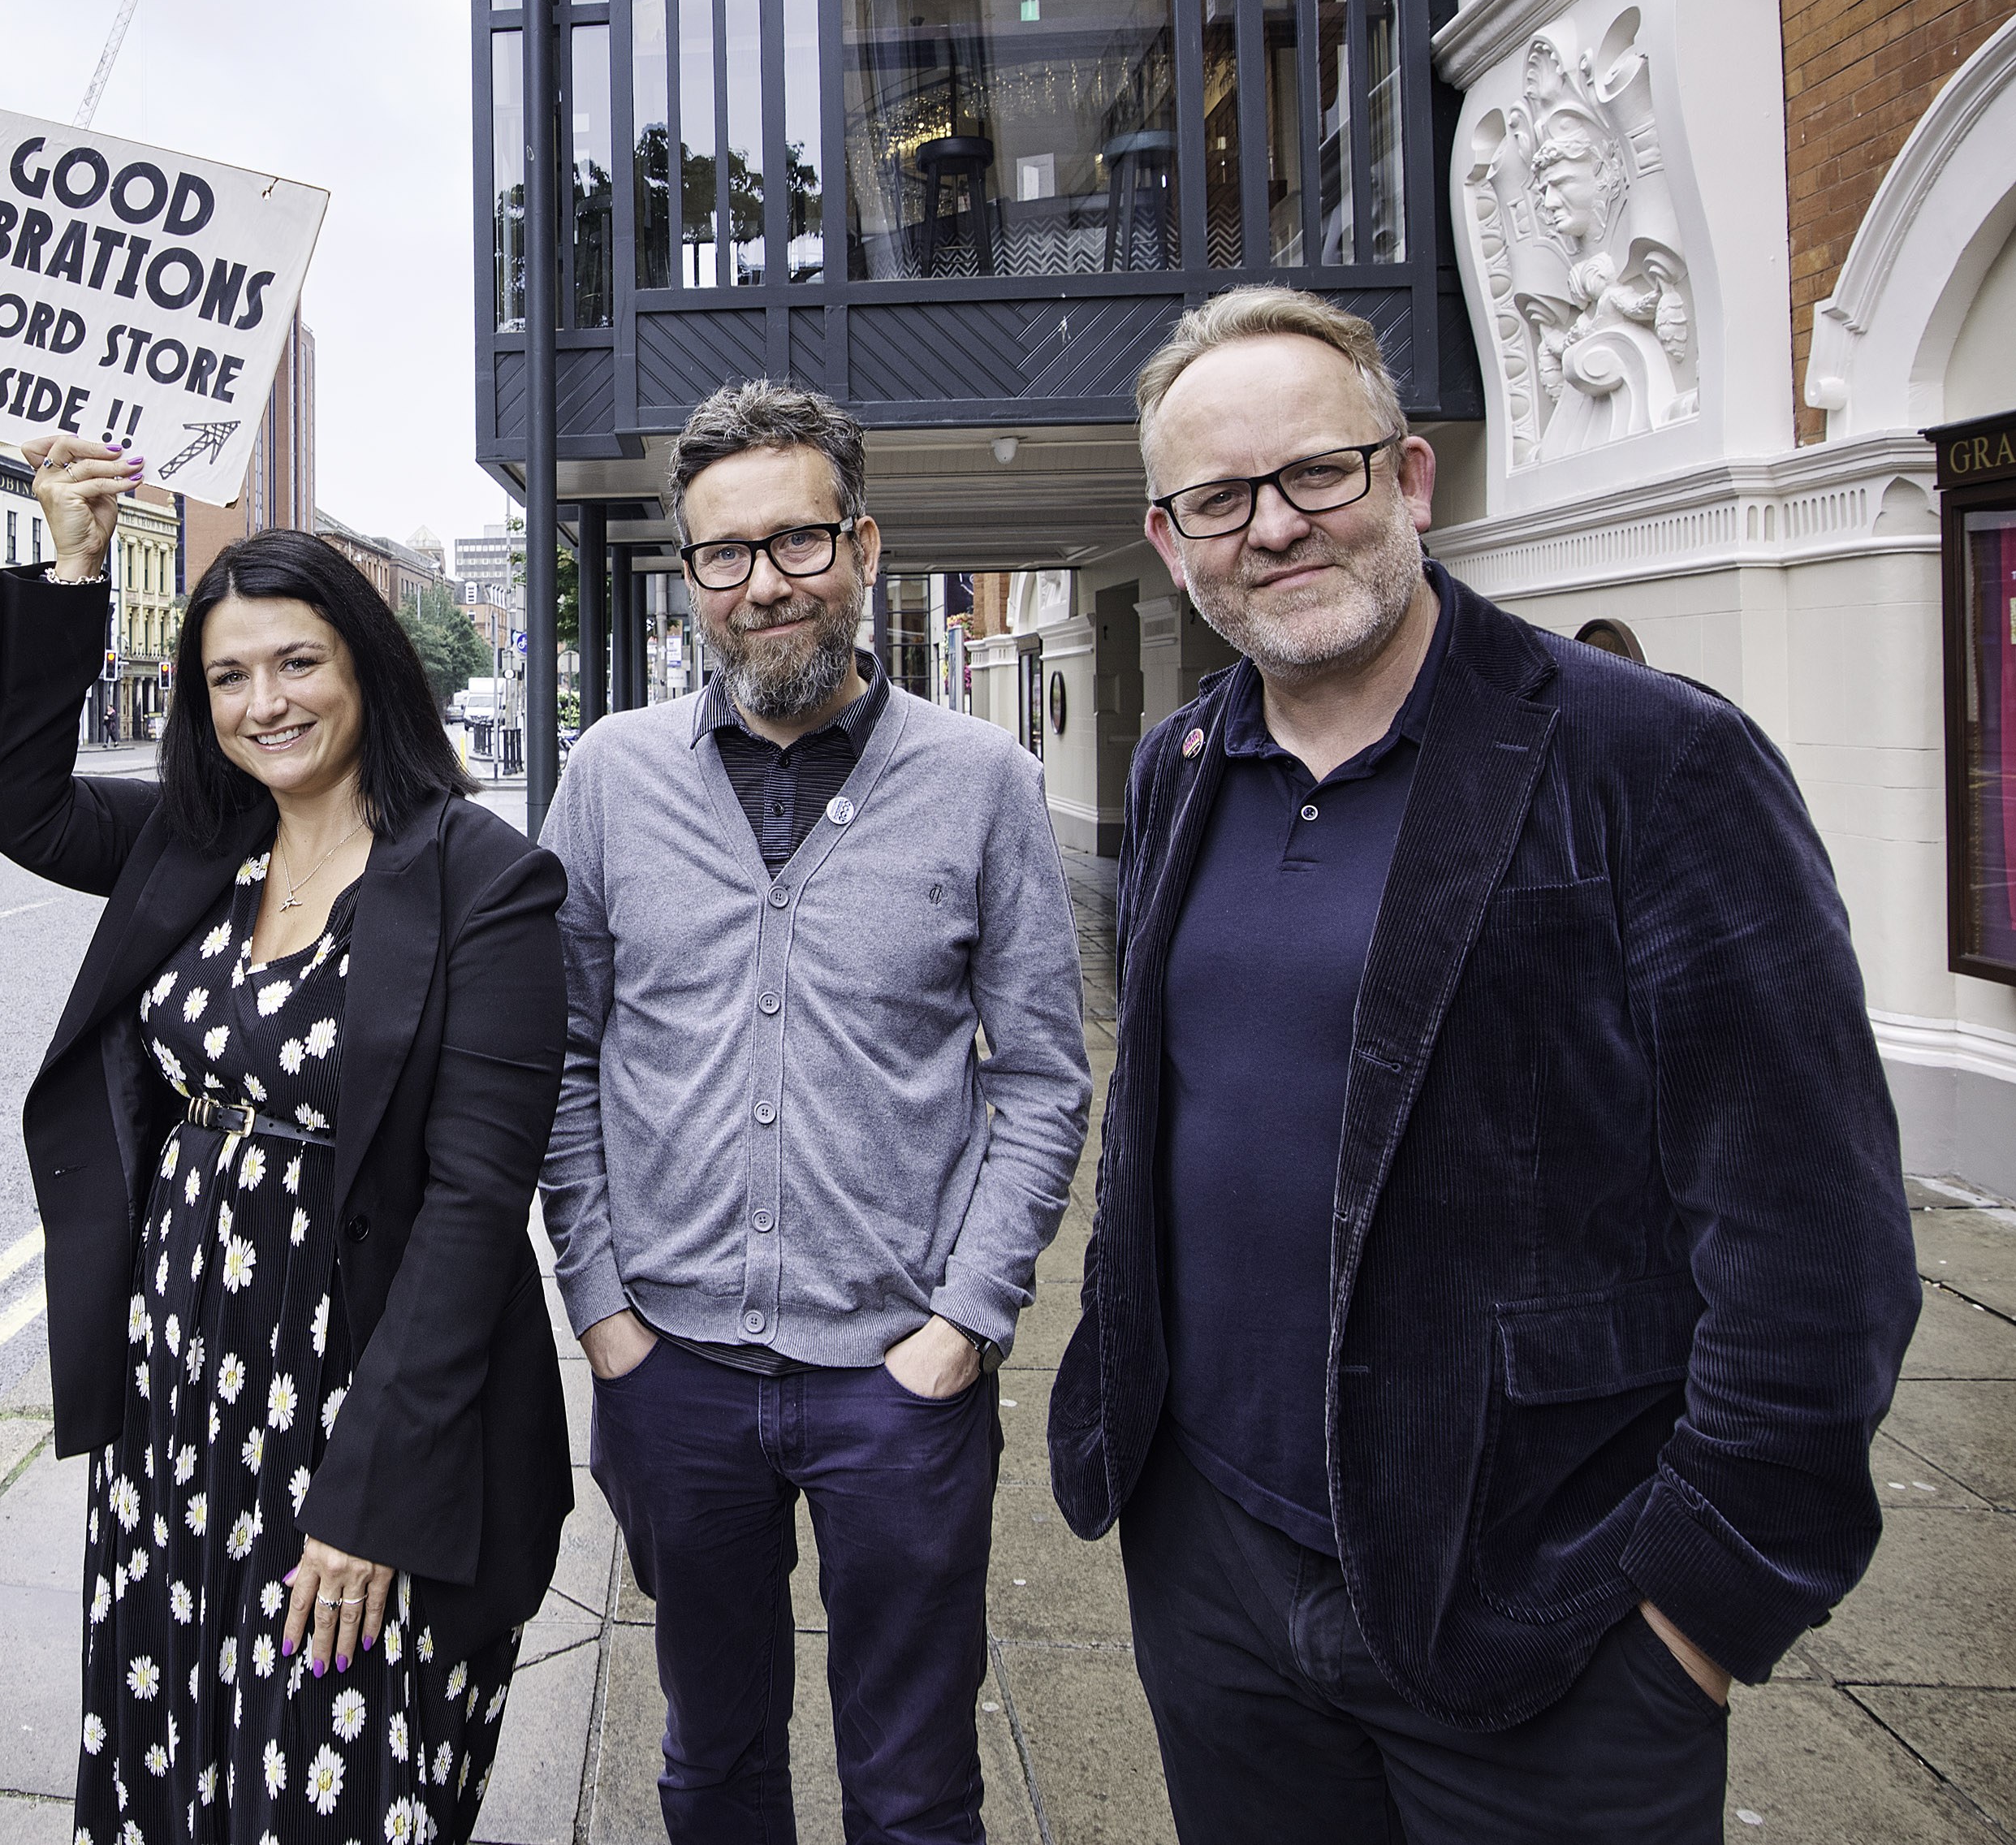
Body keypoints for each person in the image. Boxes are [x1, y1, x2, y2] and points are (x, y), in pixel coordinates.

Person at [1050, 289, 1919, 1843]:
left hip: (1541, 1602)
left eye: (1318, 472)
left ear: (1410, 480)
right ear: (1171, 539)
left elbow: (1815, 1232)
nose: (1277, 527)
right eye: (1221, 499)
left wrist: (1699, 1612)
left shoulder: (1649, 758)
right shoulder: (1182, 766)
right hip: (1218, 1571)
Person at [0, 434, 572, 1845]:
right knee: (174, 1747)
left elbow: (477, 1206)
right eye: (229, 675)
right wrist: (69, 562)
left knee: (326, 1777)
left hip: (360, 1397)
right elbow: (21, 801)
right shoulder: (198, 838)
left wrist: (371, 1495)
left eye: (297, 662)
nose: (265, 701)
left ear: (365, 664)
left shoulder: (484, 879)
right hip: (179, 1389)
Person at [541, 379, 1092, 1844]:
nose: (763, 582)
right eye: (725, 552)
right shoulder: (607, 777)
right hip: (674, 1375)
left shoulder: (985, 783)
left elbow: (1041, 1074)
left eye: (797, 541)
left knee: (914, 1789)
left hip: (896, 1382)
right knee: (712, 1765)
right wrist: (604, 1311)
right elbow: (561, 1053)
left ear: (863, 547)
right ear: (690, 572)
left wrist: (964, 1320)